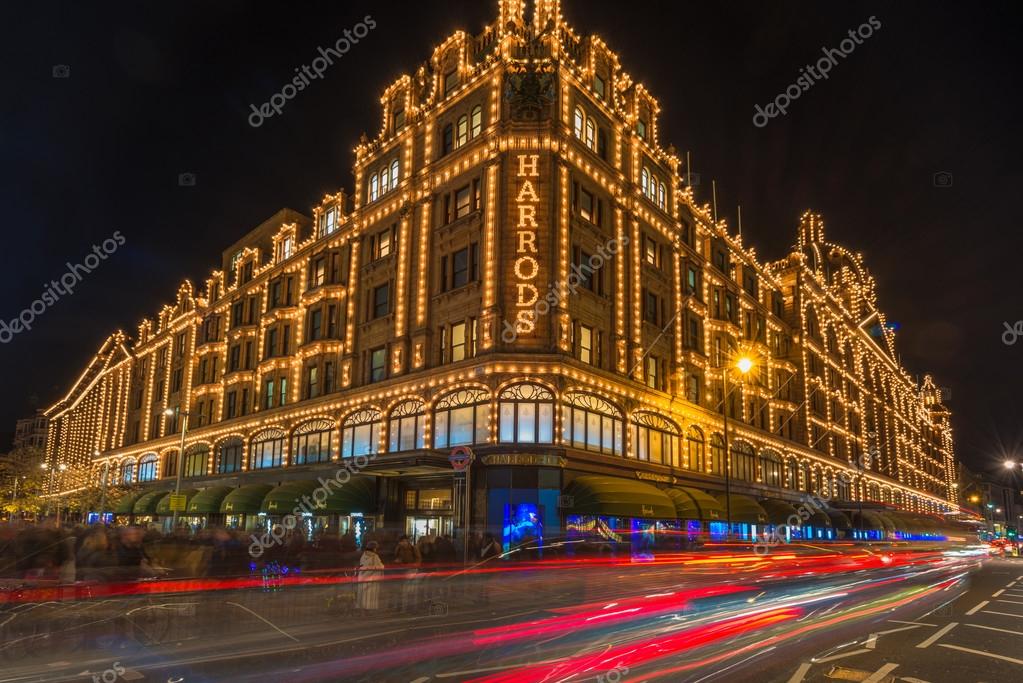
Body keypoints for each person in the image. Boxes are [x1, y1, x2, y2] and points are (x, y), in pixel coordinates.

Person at [356, 541, 385, 611]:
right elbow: (381, 566)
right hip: (371, 579)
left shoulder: (363, 555)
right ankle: (369, 609)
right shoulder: (375, 556)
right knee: (370, 596)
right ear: (374, 548)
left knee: (363, 595)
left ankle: (362, 609)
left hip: (362, 577)